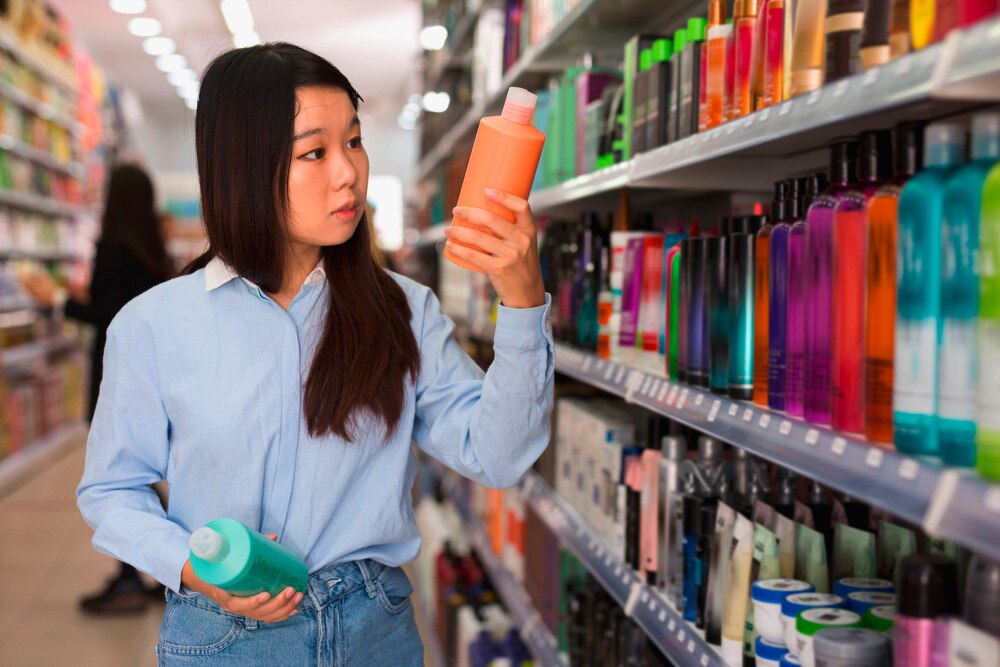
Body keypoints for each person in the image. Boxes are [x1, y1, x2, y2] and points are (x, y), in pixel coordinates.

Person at [76, 42, 554, 666]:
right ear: (245, 166)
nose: (348, 172)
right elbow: (112, 490)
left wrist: (522, 302)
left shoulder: (403, 311)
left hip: (373, 630)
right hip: (224, 638)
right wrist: (192, 568)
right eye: (314, 152)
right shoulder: (154, 325)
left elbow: (500, 455)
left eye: (353, 141)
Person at [22, 163, 173, 615]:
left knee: (122, 475)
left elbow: (105, 318)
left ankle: (136, 574)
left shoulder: (112, 247)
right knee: (142, 471)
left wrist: (56, 299)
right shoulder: (151, 248)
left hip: (114, 373)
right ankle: (156, 567)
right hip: (150, 373)